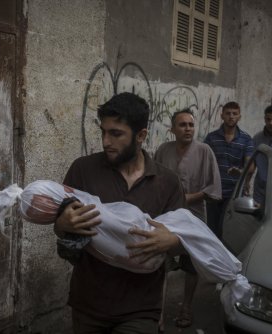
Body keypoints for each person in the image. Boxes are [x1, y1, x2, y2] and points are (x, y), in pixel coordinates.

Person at [54, 92, 187, 334]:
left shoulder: (167, 182)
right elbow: (62, 231)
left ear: (141, 136)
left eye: (116, 134)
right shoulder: (83, 170)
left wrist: (172, 240)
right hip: (89, 305)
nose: (106, 141)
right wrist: (63, 223)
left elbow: (187, 238)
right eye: (103, 132)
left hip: (141, 308)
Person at [154, 109, 221, 329]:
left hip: (194, 216)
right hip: (167, 216)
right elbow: (154, 182)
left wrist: (185, 198)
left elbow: (212, 188)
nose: (188, 129)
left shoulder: (204, 151)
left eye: (191, 125)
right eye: (182, 125)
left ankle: (186, 307)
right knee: (160, 263)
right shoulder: (163, 150)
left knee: (191, 265)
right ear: (172, 129)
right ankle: (159, 314)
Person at [204, 101, 254, 239]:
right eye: (228, 113)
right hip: (213, 193)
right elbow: (204, 161)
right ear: (222, 116)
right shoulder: (211, 138)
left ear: (239, 117)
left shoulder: (246, 139)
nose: (231, 117)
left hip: (234, 193)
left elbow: (250, 166)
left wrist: (240, 172)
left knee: (227, 231)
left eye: (234, 114)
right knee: (211, 230)